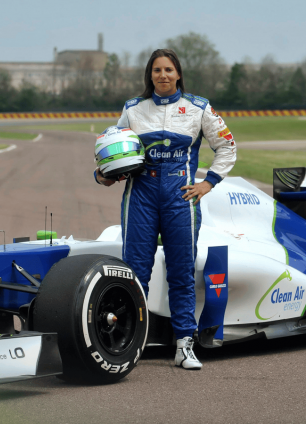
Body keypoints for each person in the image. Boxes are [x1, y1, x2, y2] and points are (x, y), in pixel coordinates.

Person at [95, 49, 236, 369]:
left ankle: (184, 345)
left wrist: (208, 183)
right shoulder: (133, 109)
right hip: (140, 196)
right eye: (156, 70)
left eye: (168, 70)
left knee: (181, 273)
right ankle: (128, 343)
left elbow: (227, 146)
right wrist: (103, 174)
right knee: (134, 273)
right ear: (150, 75)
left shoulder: (199, 107)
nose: (162, 75)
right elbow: (112, 151)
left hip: (181, 198)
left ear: (178, 74)